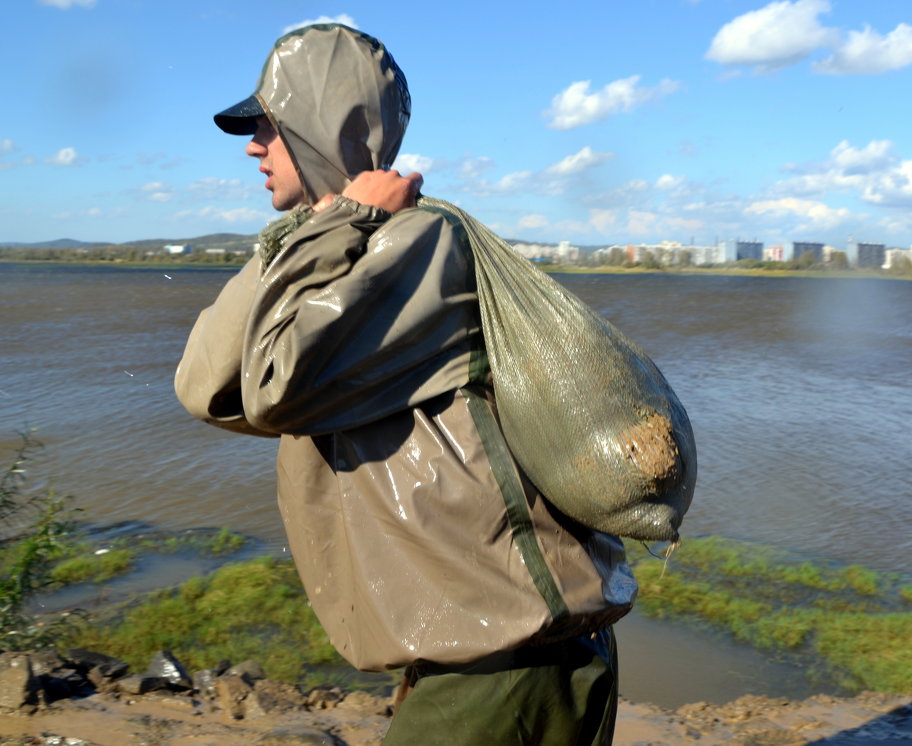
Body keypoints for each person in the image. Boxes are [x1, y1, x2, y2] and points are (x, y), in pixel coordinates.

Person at [174, 23, 637, 744]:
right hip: (478, 656)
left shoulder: (420, 244)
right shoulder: (340, 248)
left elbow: (273, 385)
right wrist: (315, 227)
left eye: (267, 123)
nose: (252, 146)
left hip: (509, 662)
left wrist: (344, 222)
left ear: (317, 124)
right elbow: (205, 387)